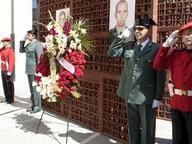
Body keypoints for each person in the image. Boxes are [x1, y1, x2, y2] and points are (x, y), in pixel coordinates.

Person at [108, 18, 166, 144]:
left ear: (148, 30)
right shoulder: (129, 46)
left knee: (147, 129)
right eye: (136, 28)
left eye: (141, 28)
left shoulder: (156, 49)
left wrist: (158, 97)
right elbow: (111, 52)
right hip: (130, 93)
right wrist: (121, 37)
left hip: (146, 96)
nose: (137, 31)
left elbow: (161, 75)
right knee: (133, 127)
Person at [153, 21, 192, 144]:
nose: (187, 37)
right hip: (177, 103)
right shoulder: (176, 54)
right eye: (184, 34)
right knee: (178, 139)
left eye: (190, 33)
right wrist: (166, 45)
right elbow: (157, 64)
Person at [20, 29, 43, 113]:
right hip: (29, 70)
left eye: (29, 35)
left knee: (35, 89)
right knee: (31, 89)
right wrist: (23, 40)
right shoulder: (29, 44)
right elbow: (21, 50)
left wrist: (38, 71)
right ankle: (33, 105)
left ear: (34, 36)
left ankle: (37, 107)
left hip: (35, 70)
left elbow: (40, 58)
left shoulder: (37, 44)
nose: (27, 36)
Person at [0, 37, 15, 104]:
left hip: (7, 69)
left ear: (8, 42)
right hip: (3, 68)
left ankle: (11, 99)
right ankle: (7, 98)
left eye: (4, 42)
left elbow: (12, 61)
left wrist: (9, 71)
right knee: (4, 84)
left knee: (9, 84)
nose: (3, 43)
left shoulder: (10, 50)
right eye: (2, 42)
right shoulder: (2, 49)